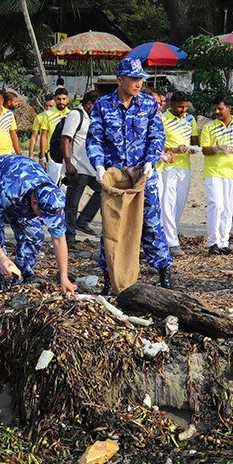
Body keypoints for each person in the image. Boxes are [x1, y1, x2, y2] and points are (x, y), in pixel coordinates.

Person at [86, 57, 171, 291]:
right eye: (134, 79)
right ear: (119, 80)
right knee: (112, 226)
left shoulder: (148, 104)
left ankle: (164, 272)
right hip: (115, 176)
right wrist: (99, 166)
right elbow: (95, 139)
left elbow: (157, 135)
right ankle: (108, 276)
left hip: (143, 174)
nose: (138, 83)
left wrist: (151, 161)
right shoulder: (103, 105)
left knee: (152, 224)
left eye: (141, 78)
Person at [0, 154, 77, 293]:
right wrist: (0, 256)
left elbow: (59, 239)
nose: (45, 219)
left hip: (24, 188)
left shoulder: (53, 199)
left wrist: (64, 277)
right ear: (34, 204)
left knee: (35, 235)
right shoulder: (11, 190)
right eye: (43, 215)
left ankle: (20, 279)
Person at [200, 94, 233, 255]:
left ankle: (224, 242)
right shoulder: (209, 127)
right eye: (215, 109)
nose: (216, 111)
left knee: (228, 207)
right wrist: (216, 149)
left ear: (229, 108)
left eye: (220, 108)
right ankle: (213, 242)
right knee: (216, 204)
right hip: (213, 171)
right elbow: (204, 150)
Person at [158, 91, 201, 256]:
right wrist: (173, 149)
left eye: (185, 106)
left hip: (185, 166)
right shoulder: (162, 118)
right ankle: (171, 242)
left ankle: (168, 235)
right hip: (168, 166)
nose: (184, 110)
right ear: (172, 104)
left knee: (179, 203)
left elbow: (195, 143)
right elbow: (158, 144)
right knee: (167, 203)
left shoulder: (191, 119)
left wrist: (192, 149)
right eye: (180, 107)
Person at [62, 90, 102, 243]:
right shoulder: (75, 115)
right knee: (72, 203)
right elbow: (65, 139)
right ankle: (69, 237)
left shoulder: (92, 117)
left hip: (91, 167)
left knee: (102, 191)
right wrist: (68, 162)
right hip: (78, 167)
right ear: (89, 104)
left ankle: (83, 220)